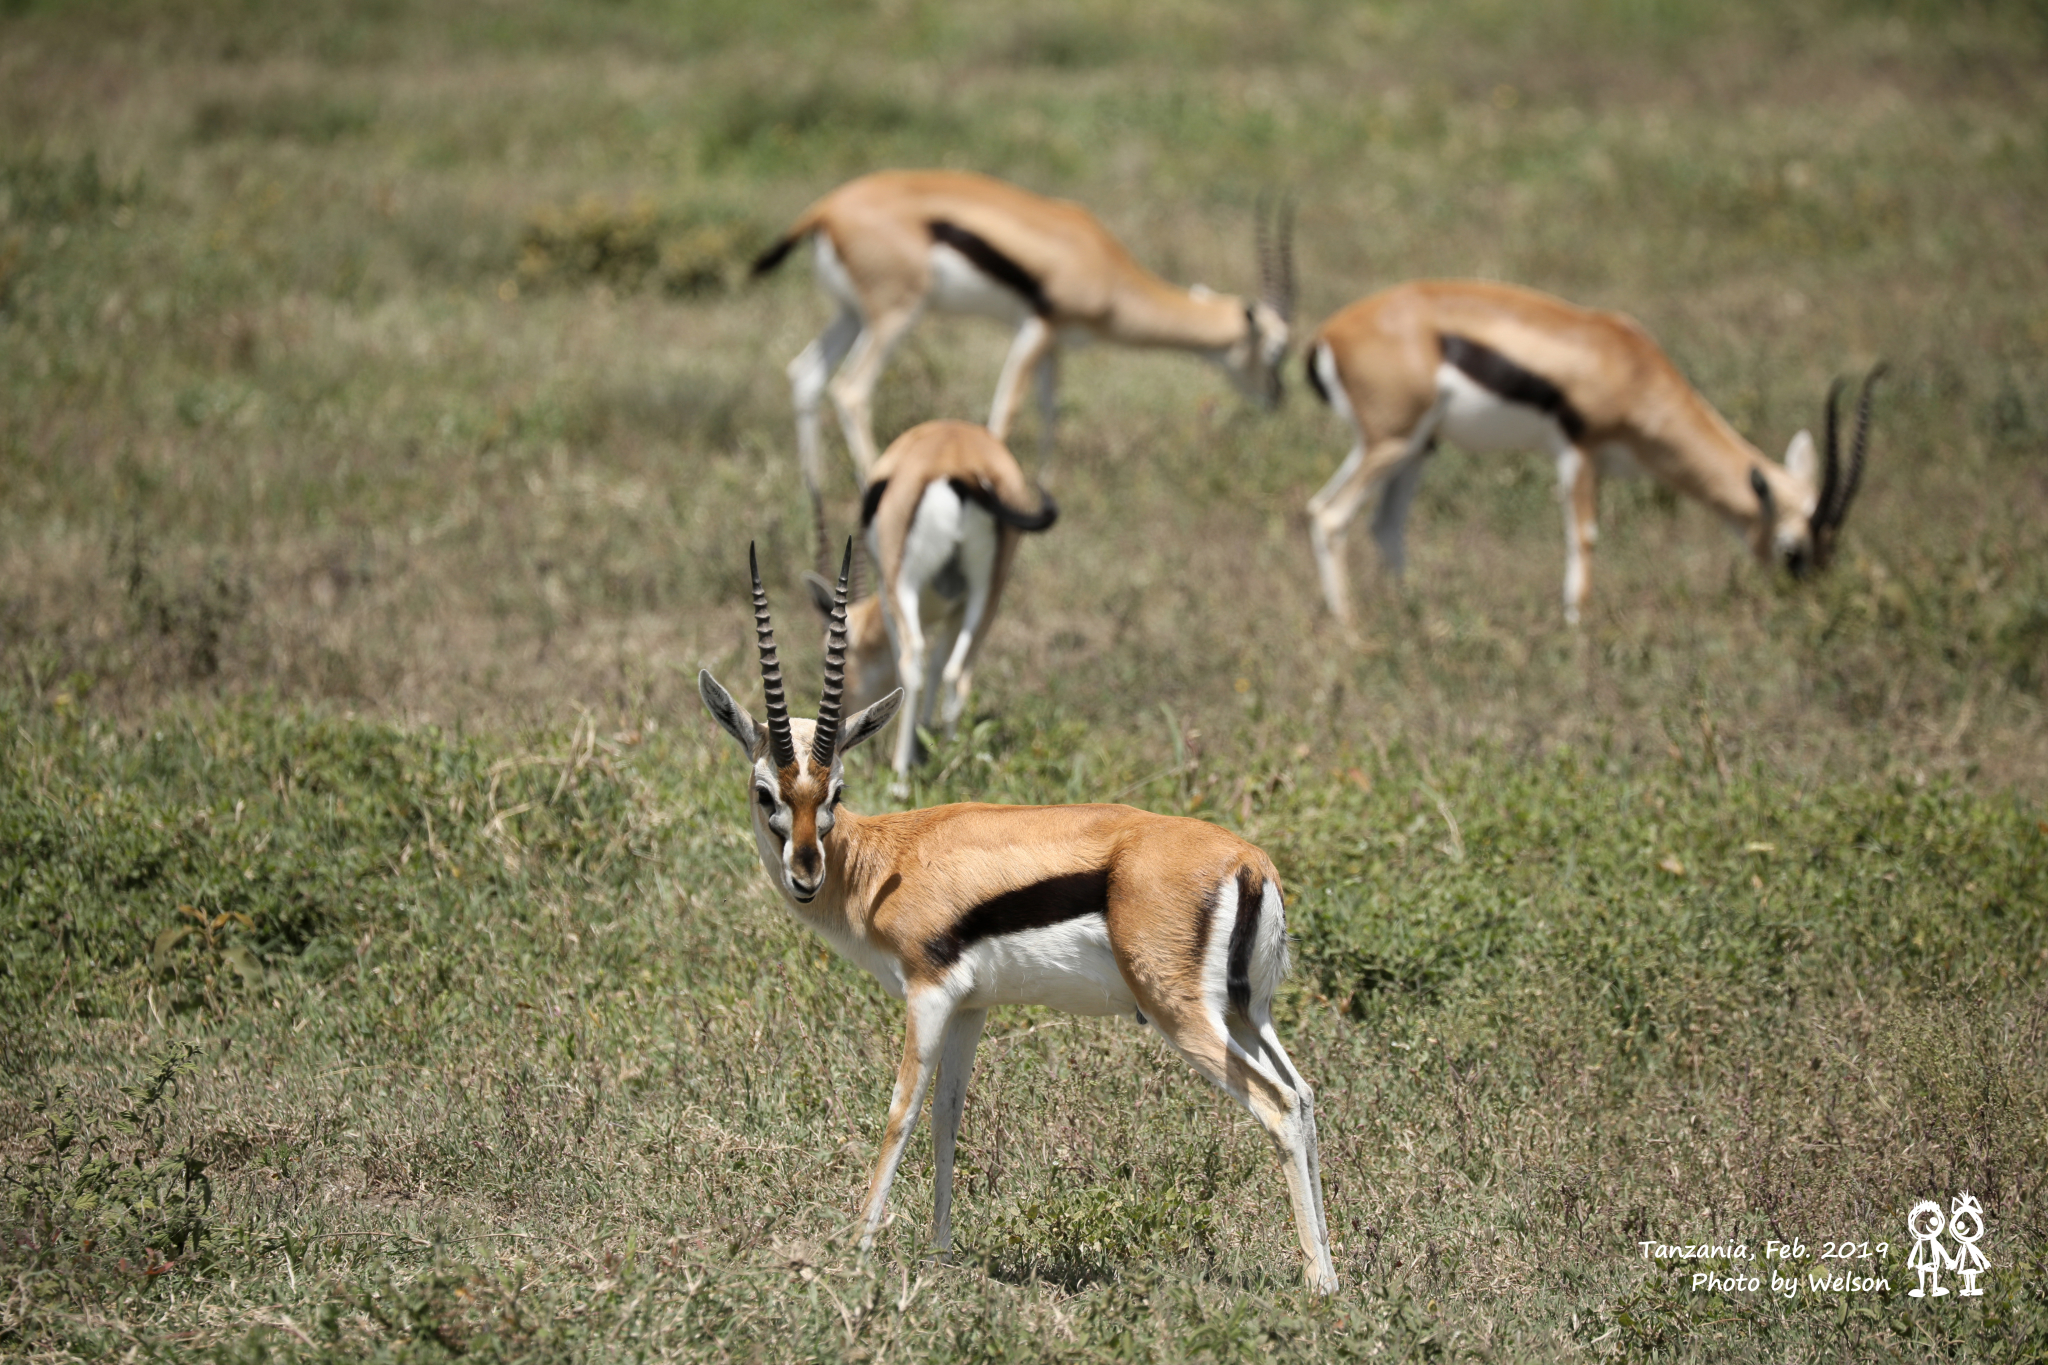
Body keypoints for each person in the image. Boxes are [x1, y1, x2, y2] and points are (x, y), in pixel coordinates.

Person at [1906, 1200, 1949, 1298]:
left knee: (1933, 1272)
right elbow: (1914, 1249)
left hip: (1933, 1263)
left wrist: (1948, 1260)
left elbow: (1941, 1250)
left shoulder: (1934, 1241)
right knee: (1921, 1272)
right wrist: (1911, 1261)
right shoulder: (1919, 1242)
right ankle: (1921, 1289)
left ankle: (1935, 1288)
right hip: (1922, 1264)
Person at [1949, 1193, 1988, 1297]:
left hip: (1972, 1262)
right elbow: (1959, 1255)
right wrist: (1955, 1263)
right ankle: (1968, 1289)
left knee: (1972, 1273)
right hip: (1964, 1264)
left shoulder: (1970, 1245)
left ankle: (1973, 1288)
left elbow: (1977, 1252)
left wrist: (1984, 1261)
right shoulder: (1963, 1246)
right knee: (1966, 1274)